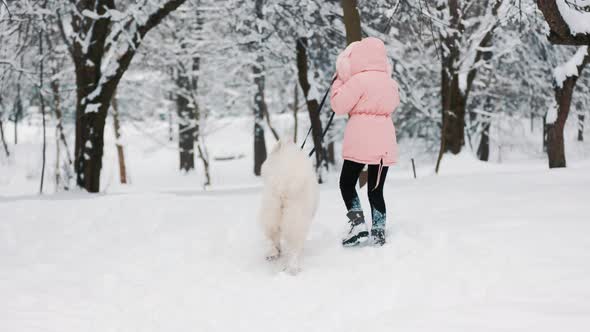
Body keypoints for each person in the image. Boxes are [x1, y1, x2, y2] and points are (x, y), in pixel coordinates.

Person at [330, 37, 400, 247]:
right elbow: (394, 103)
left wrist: (339, 81)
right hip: (384, 144)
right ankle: (378, 231)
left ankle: (358, 224)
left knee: (347, 183)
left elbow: (338, 106)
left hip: (360, 141)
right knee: (375, 190)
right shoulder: (390, 82)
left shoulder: (357, 81)